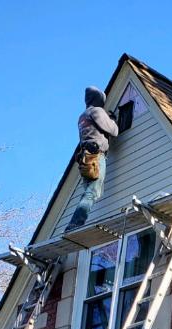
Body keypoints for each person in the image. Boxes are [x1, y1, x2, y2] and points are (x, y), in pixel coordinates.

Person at [70, 86, 119, 228]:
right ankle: (75, 223)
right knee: (92, 192)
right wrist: (112, 120)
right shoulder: (97, 111)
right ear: (99, 99)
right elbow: (114, 131)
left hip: (85, 157)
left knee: (89, 191)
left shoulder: (82, 116)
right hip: (96, 156)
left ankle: (75, 222)